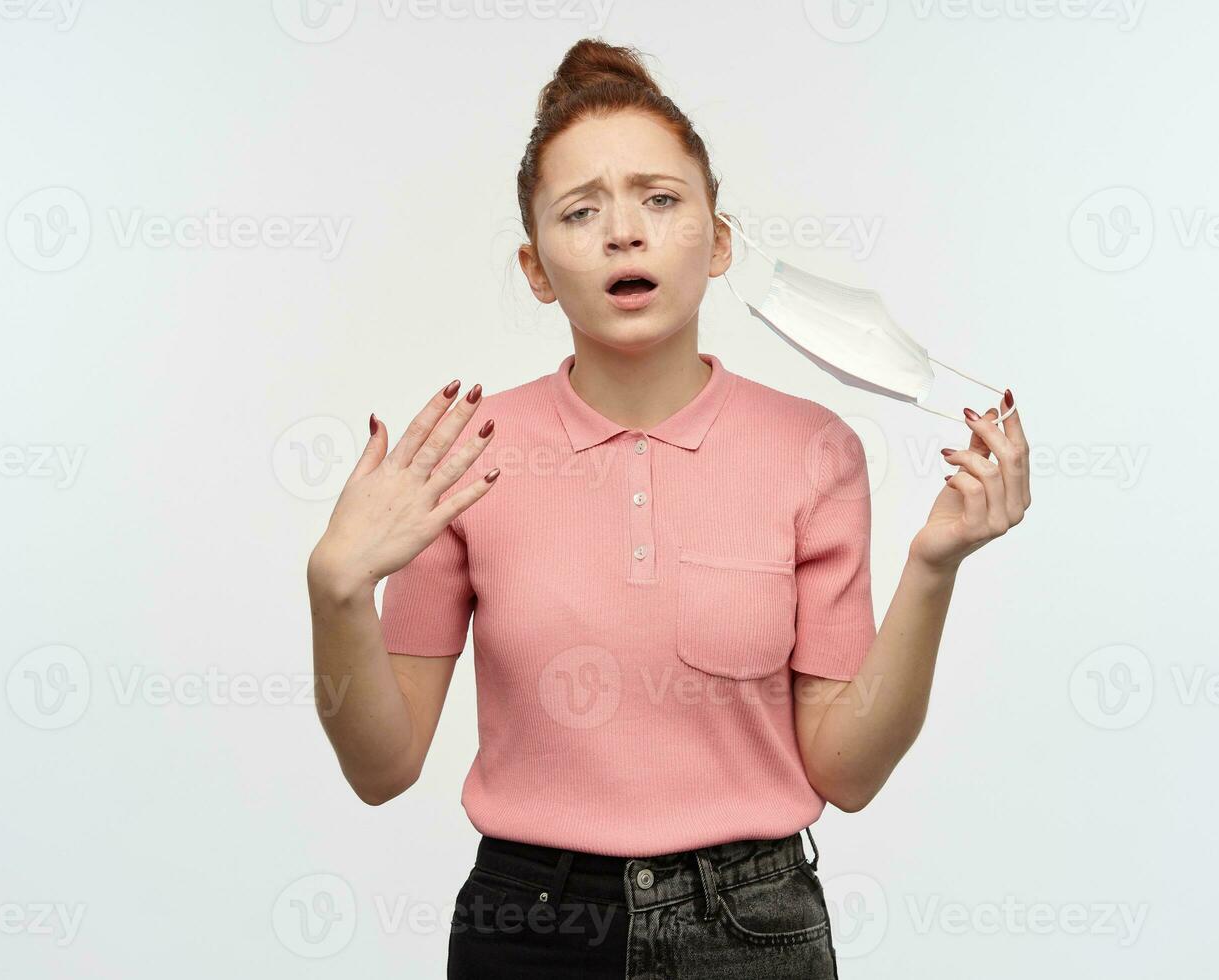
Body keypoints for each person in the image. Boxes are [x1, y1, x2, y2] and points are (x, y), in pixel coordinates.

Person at [306, 37, 1032, 979]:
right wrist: (335, 588)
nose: (624, 232)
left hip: (753, 930)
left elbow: (846, 773)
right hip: (531, 930)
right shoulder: (465, 454)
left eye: (660, 199)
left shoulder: (812, 451)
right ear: (535, 266)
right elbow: (382, 767)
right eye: (581, 210)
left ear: (718, 239)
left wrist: (935, 563)